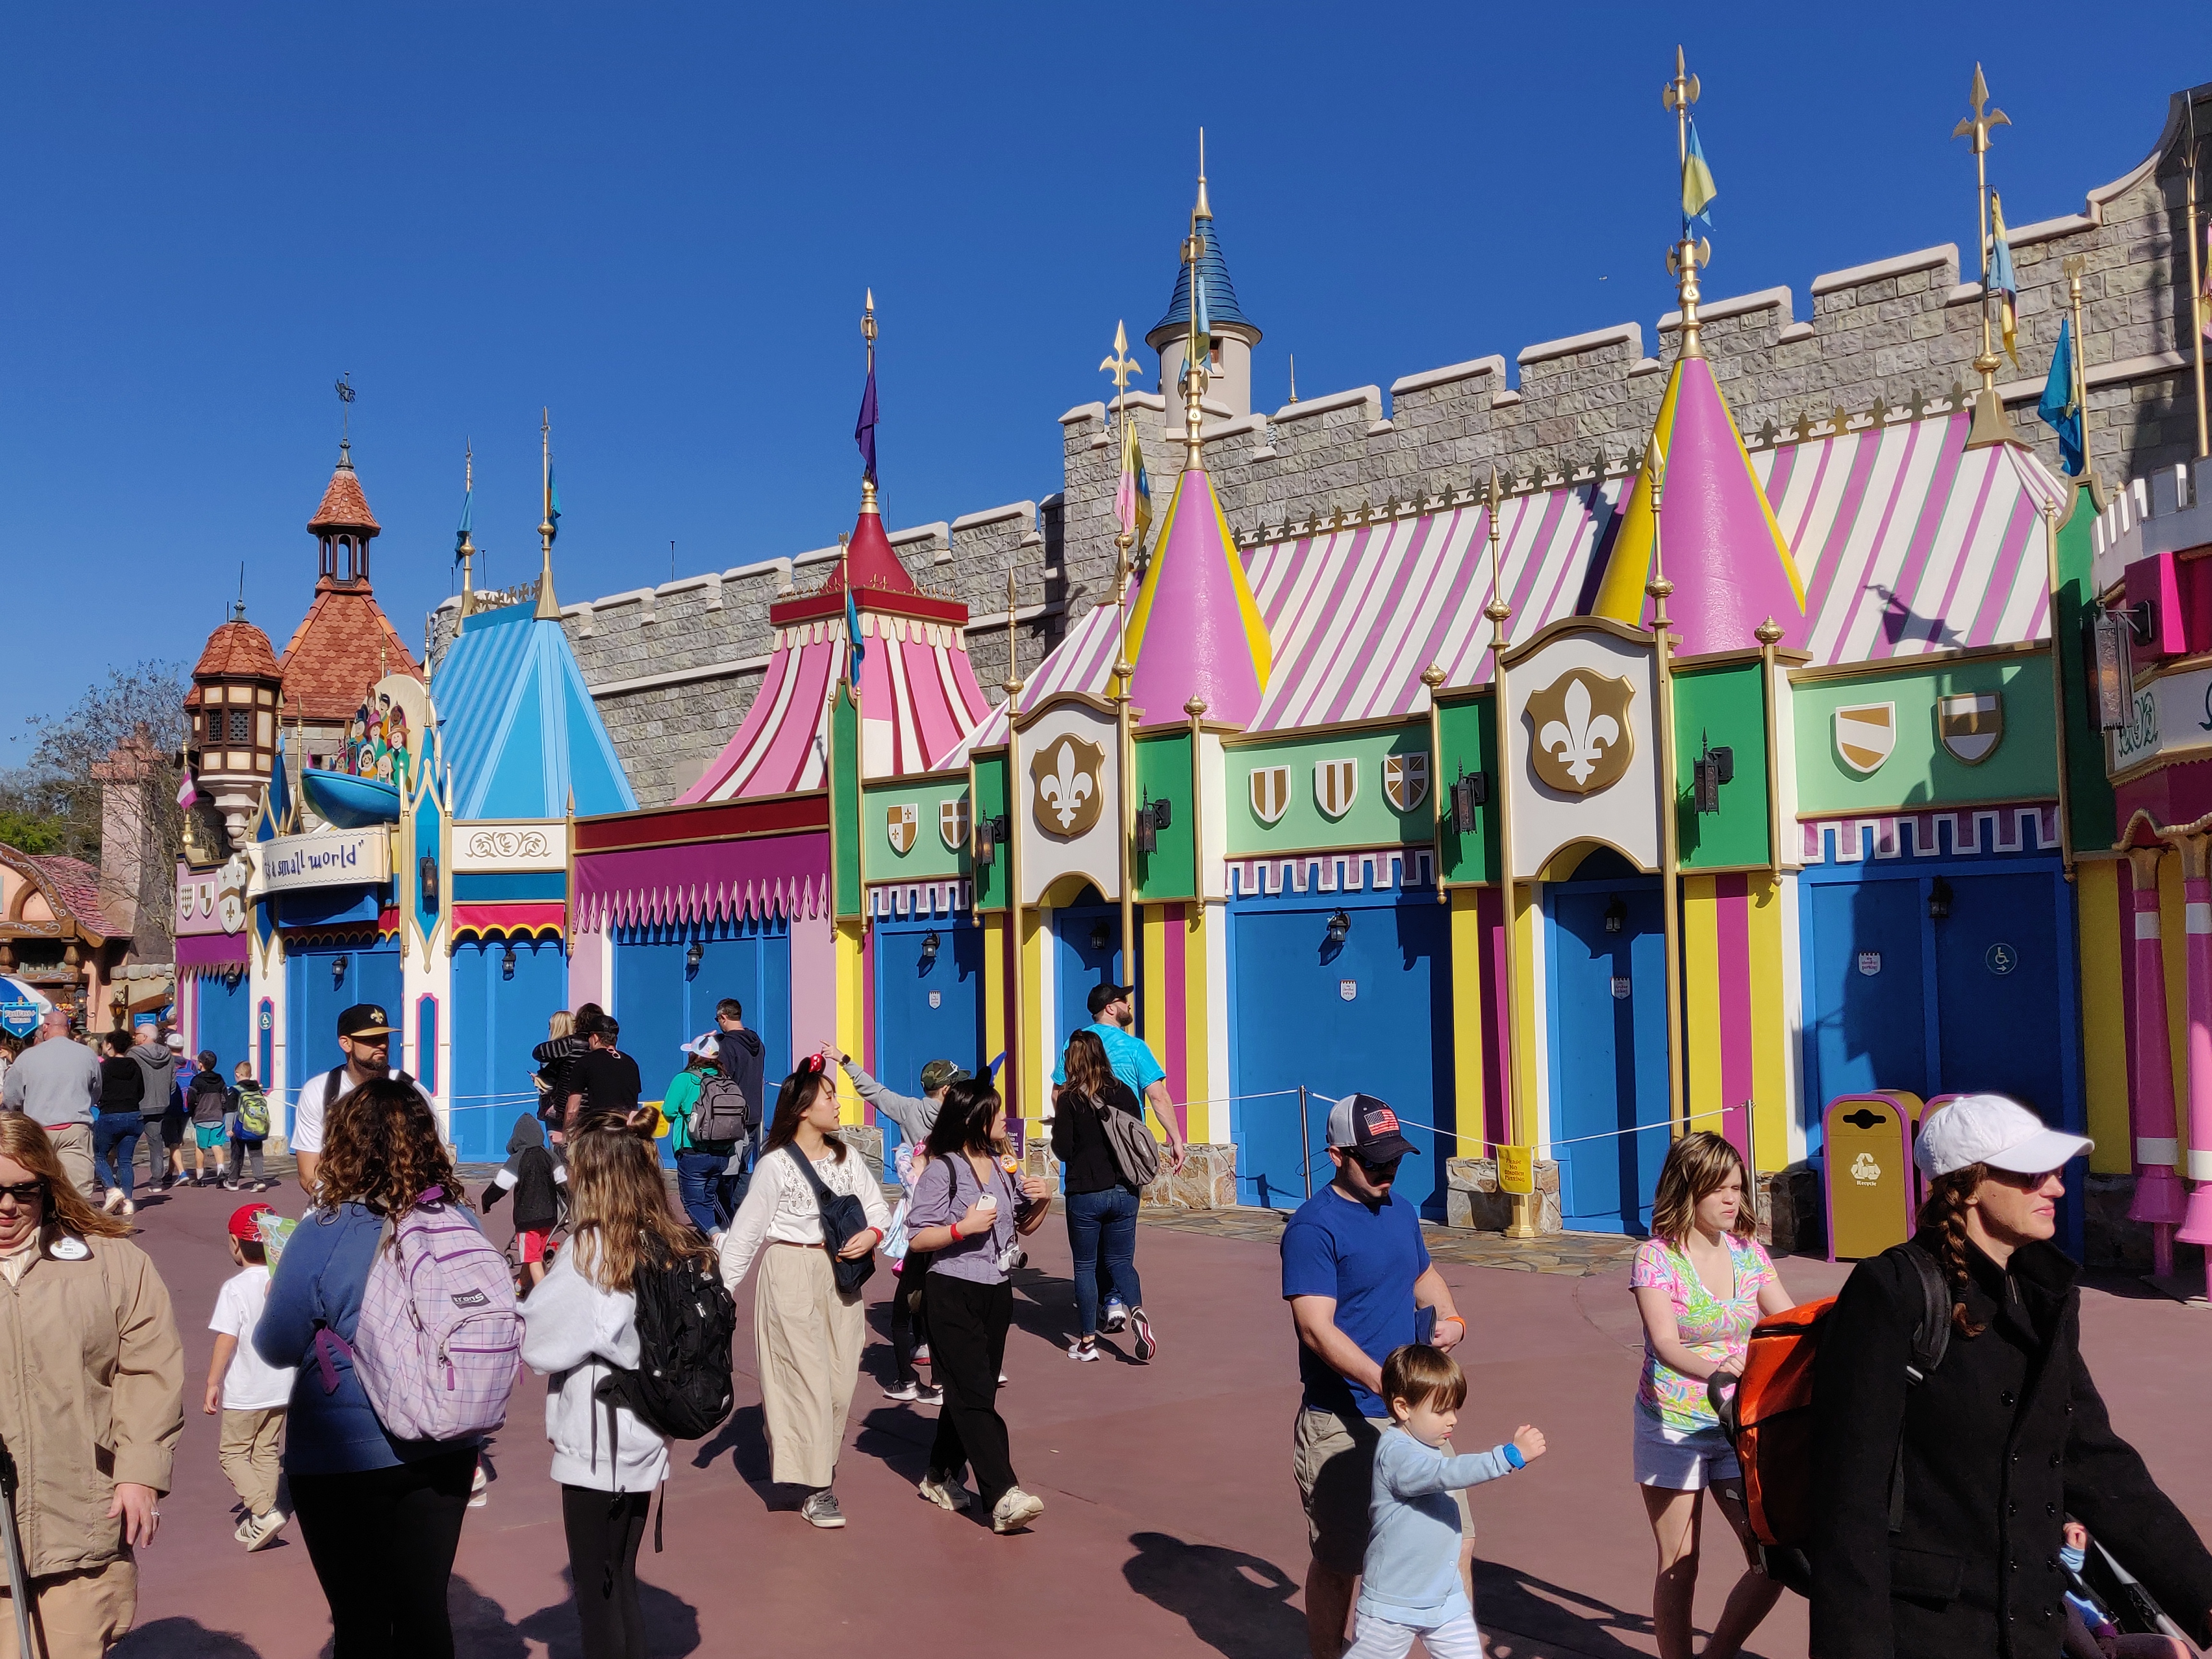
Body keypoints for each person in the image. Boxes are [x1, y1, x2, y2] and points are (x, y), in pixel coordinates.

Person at [1811, 1095, 2212, 1659]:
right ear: (1970, 1185)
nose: (2056, 1188)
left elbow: (2095, 1461)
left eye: (2054, 1172)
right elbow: (1848, 1497)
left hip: (2030, 1626)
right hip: (1926, 1634)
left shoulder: (2044, 1298)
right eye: (2032, 1175)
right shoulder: (1894, 1290)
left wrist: (2204, 1597)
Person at [256, 1078, 489, 1659]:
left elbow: (277, 1344)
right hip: (446, 1440)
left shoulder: (324, 1230)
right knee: (424, 1612)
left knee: (360, 1621)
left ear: (345, 1144)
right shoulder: (459, 1218)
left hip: (343, 1452)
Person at [1281, 1092, 1470, 1659]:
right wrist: (1383, 1383)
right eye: (1375, 1161)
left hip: (1416, 1421)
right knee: (1344, 1562)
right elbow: (1316, 1328)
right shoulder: (1314, 1228)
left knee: (1453, 1541)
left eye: (1394, 1159)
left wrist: (1454, 1318)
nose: (1388, 1171)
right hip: (1342, 1422)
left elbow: (1424, 1273)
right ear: (1338, 1155)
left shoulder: (1401, 1210)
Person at [522, 1126, 714, 1659]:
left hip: (597, 1434)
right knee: (622, 1574)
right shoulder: (670, 1240)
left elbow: (543, 1343)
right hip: (647, 1426)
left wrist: (531, 1285)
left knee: (595, 1587)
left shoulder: (593, 1248)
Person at [0, 1114, 184, 1658]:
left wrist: (140, 1472)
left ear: (48, 1186)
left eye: (23, 1191)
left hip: (79, 1528)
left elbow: (149, 1370)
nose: (7, 1206)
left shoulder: (112, 1262)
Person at [1629, 1131, 1792, 1659]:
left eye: (1738, 1188)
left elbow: (1788, 1323)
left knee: (1773, 1555)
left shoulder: (1750, 1254)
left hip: (1736, 1424)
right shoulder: (1656, 1258)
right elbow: (1666, 1344)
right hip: (1673, 1423)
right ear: (1687, 1189)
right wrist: (1723, 1373)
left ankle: (1718, 1654)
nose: (1732, 1201)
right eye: (1719, 1189)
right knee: (1681, 1560)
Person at [717, 1058, 891, 1529]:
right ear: (802, 1108)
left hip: (842, 1274)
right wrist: (719, 1294)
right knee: (807, 1380)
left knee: (839, 1383)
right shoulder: (774, 1166)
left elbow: (880, 1209)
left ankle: (815, 1466)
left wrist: (873, 1235)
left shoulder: (847, 1157)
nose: (837, 1103)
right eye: (828, 1095)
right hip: (790, 1268)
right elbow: (746, 1235)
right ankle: (818, 1488)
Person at [902, 1076, 1054, 1535]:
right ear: (973, 1118)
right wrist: (960, 1229)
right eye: (996, 1110)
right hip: (950, 1289)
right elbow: (917, 1236)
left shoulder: (1003, 1164)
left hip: (997, 1291)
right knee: (972, 1390)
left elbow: (1022, 1230)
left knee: (976, 1390)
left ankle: (938, 1475)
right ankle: (1003, 1494)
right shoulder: (942, 1170)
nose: (1004, 1117)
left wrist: (1044, 1202)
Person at [1345, 1344, 1544, 1659]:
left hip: (1443, 1599)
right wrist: (1509, 1457)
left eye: (1455, 1409)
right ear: (1403, 1408)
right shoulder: (1397, 1453)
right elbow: (1443, 1474)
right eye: (1441, 1411)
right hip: (1393, 1604)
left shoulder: (1428, 1443)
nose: (1452, 1420)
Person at [828, 1049, 965, 1401]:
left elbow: (872, 1091)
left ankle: (913, 1370)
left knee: (911, 1296)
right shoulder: (961, 1119)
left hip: (915, 1220)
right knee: (944, 1292)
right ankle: (945, 1369)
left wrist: (845, 1062)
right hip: (954, 1216)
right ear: (948, 1091)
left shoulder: (908, 1112)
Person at [1051, 1028, 1158, 1362]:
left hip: (1086, 1192)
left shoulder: (1070, 1097)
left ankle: (1086, 1342)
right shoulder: (1124, 1091)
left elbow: (1064, 1149)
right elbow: (1134, 1135)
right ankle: (1137, 1311)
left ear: (1073, 1059)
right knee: (1121, 1262)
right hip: (1125, 1190)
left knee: (1085, 1267)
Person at [204, 1201, 294, 1551]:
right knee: (267, 1451)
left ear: (234, 1243)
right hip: (282, 1385)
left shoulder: (236, 1288)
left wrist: (213, 1381)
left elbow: (227, 1338)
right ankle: (262, 1518)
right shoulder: (283, 1283)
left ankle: (264, 1510)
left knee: (233, 1453)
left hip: (247, 1389)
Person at [288, 1004, 426, 1195]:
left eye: (384, 1037)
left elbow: (432, 1159)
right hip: (337, 1208)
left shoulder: (412, 1090)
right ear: (346, 1044)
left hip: (400, 1208)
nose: (383, 1045)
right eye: (371, 1040)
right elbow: (308, 1173)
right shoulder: (319, 1091)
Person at [0, 1010, 100, 1201]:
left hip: (39, 1130)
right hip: (75, 1127)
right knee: (78, 1188)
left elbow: (12, 1098)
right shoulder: (87, 1055)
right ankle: (76, 1226)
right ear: (68, 1028)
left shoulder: (27, 1058)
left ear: (45, 1028)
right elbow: (96, 1091)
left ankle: (47, 1224)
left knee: (40, 1184)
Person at [665, 1039, 738, 1238]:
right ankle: (717, 1237)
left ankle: (717, 1237)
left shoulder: (686, 1079)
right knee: (708, 1199)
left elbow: (669, 1111)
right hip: (722, 1151)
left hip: (692, 1149)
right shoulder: (725, 1078)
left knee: (693, 1202)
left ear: (694, 1055)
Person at [483, 1113, 563, 1290]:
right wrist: (572, 1204)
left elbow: (501, 1184)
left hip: (528, 1219)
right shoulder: (550, 1156)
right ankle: (521, 1286)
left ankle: (544, 1295)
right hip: (549, 1217)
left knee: (532, 1258)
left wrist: (486, 1201)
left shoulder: (518, 1159)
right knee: (535, 1253)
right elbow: (562, 1183)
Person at [92, 1030, 148, 1216]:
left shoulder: (104, 1067)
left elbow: (97, 1090)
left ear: (110, 1045)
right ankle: (129, 1201)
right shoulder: (135, 1065)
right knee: (126, 1161)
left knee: (99, 1156)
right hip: (133, 1115)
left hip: (110, 1114)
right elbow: (141, 1092)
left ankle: (112, 1189)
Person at [713, 998, 768, 1185]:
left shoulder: (726, 1047)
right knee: (743, 1168)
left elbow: (722, 1082)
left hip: (733, 1116)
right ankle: (744, 1209)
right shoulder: (758, 1044)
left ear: (723, 1017)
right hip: (753, 1114)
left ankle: (733, 1212)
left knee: (729, 1174)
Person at [566, 1014, 644, 1132]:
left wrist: (567, 1134)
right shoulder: (631, 1063)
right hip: (628, 1131)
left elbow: (573, 1109)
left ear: (596, 1037)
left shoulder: (585, 1062)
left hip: (600, 1131)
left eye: (589, 1036)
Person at [532, 1008, 595, 1145]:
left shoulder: (555, 1054)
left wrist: (540, 1080)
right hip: (585, 1109)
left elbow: (555, 1082)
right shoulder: (587, 1051)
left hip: (559, 1109)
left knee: (559, 1152)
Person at [125, 1025, 174, 1194]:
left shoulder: (133, 1055)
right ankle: (157, 1180)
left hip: (139, 1104)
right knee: (156, 1143)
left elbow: (131, 1081)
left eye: (137, 1035)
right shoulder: (168, 1055)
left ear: (145, 1037)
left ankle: (123, 1178)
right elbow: (172, 1082)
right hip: (161, 1104)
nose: (135, 1037)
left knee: (128, 1143)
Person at [184, 1051, 229, 1188]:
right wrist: (222, 1112)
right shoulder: (220, 1079)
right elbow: (225, 1098)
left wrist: (192, 1114)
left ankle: (199, 1177)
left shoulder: (196, 1081)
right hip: (217, 1117)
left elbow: (191, 1100)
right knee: (217, 1145)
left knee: (200, 1147)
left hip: (202, 1117)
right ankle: (221, 1173)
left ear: (202, 1064)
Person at [227, 1061, 272, 1190]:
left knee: (237, 1153)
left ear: (237, 1074)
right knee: (256, 1154)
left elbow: (231, 1111)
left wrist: (229, 1128)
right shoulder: (257, 1088)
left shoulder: (235, 1090)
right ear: (250, 1074)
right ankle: (260, 1180)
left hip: (240, 1127)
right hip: (257, 1127)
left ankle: (233, 1182)